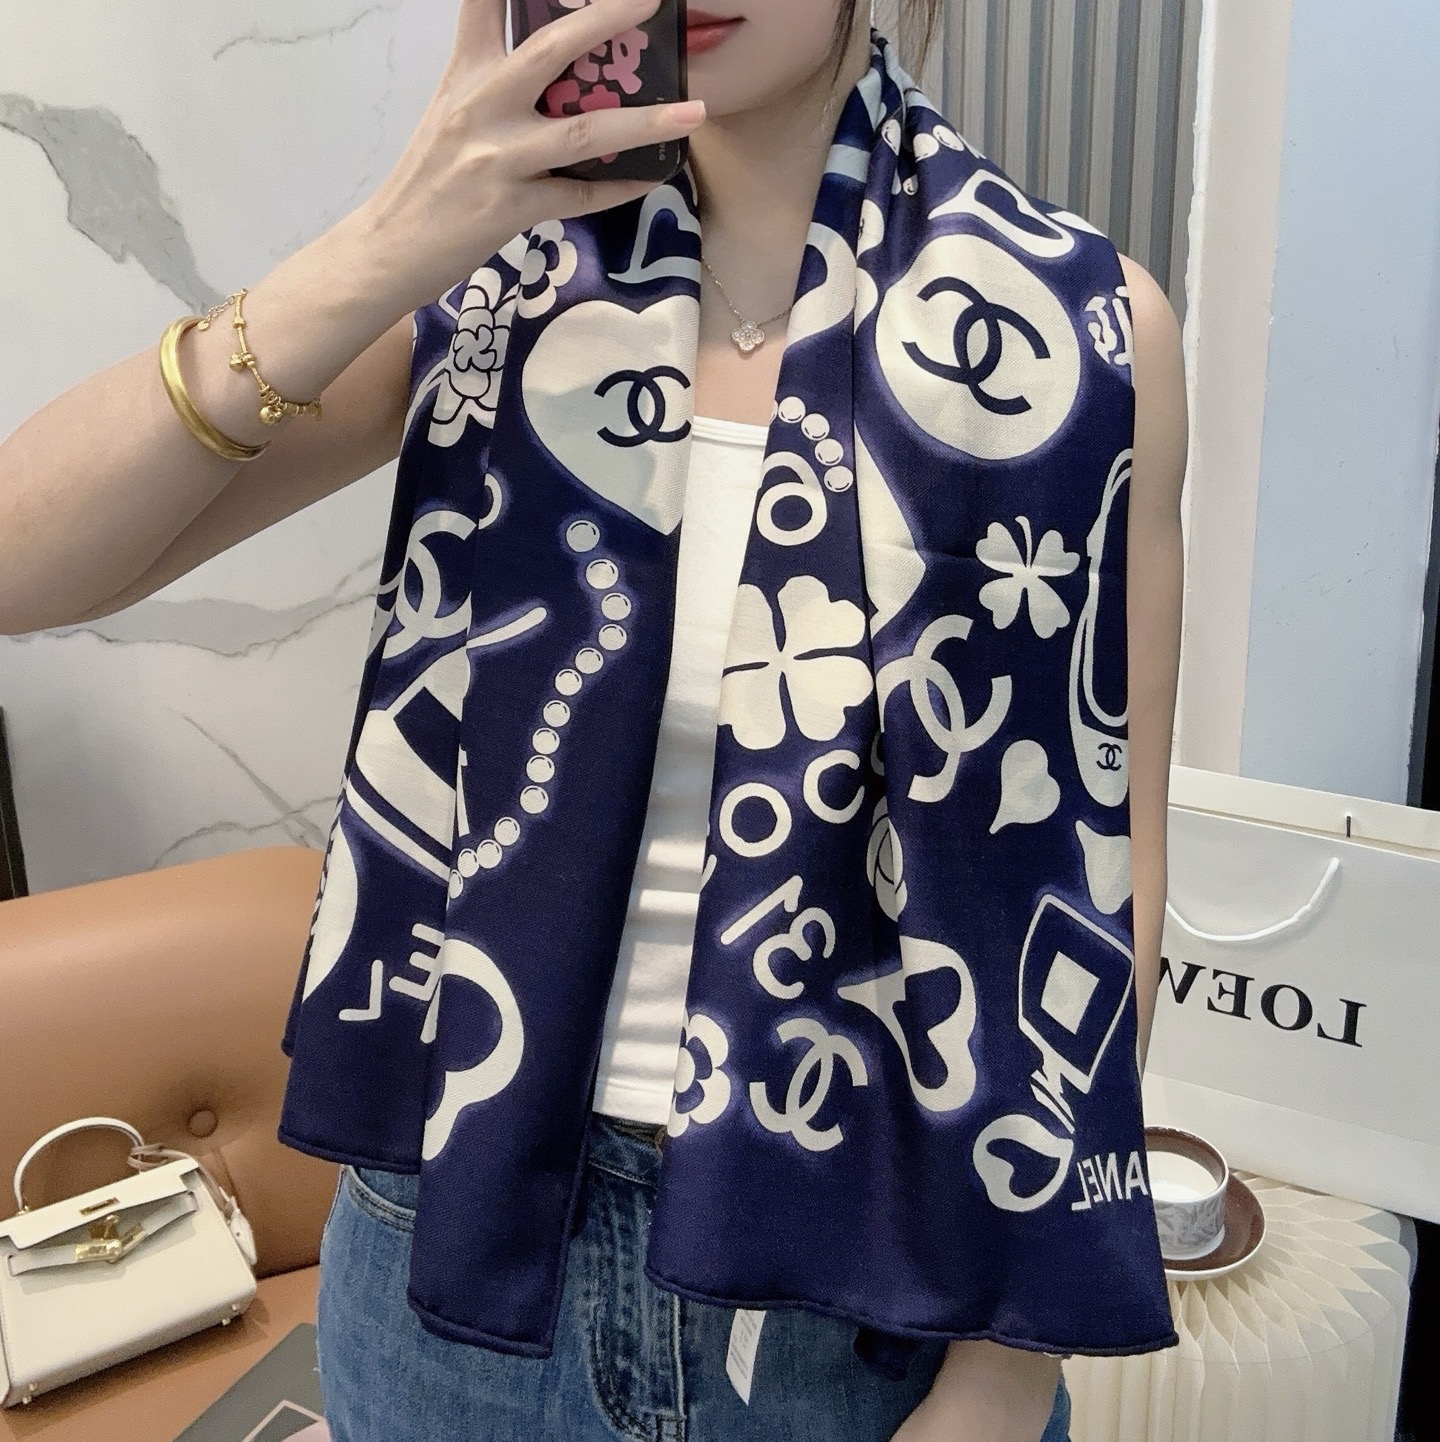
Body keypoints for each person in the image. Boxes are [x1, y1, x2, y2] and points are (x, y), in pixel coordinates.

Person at [0, 0, 1188, 1437]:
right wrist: (391, 236)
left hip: (874, 1292)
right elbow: (25, 565)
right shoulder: (493, 280)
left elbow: (1107, 879)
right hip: (457, 1250)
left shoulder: (1084, 330)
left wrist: (1007, 1371)